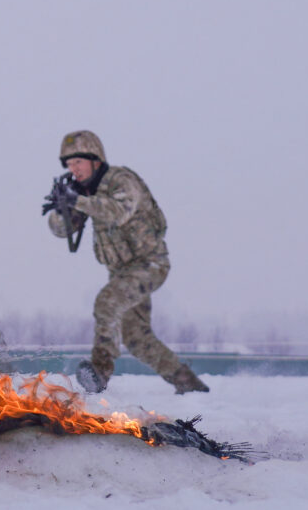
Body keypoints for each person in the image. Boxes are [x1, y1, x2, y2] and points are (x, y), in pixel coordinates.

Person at [45, 129, 206, 394]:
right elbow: (62, 230)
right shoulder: (85, 191)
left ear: (95, 159)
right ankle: (189, 384)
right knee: (136, 338)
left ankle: (100, 371)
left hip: (149, 265)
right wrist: (61, 209)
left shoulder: (121, 180)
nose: (74, 169)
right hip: (120, 272)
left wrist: (79, 200)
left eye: (79, 162)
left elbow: (118, 212)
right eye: (70, 164)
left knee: (107, 303)